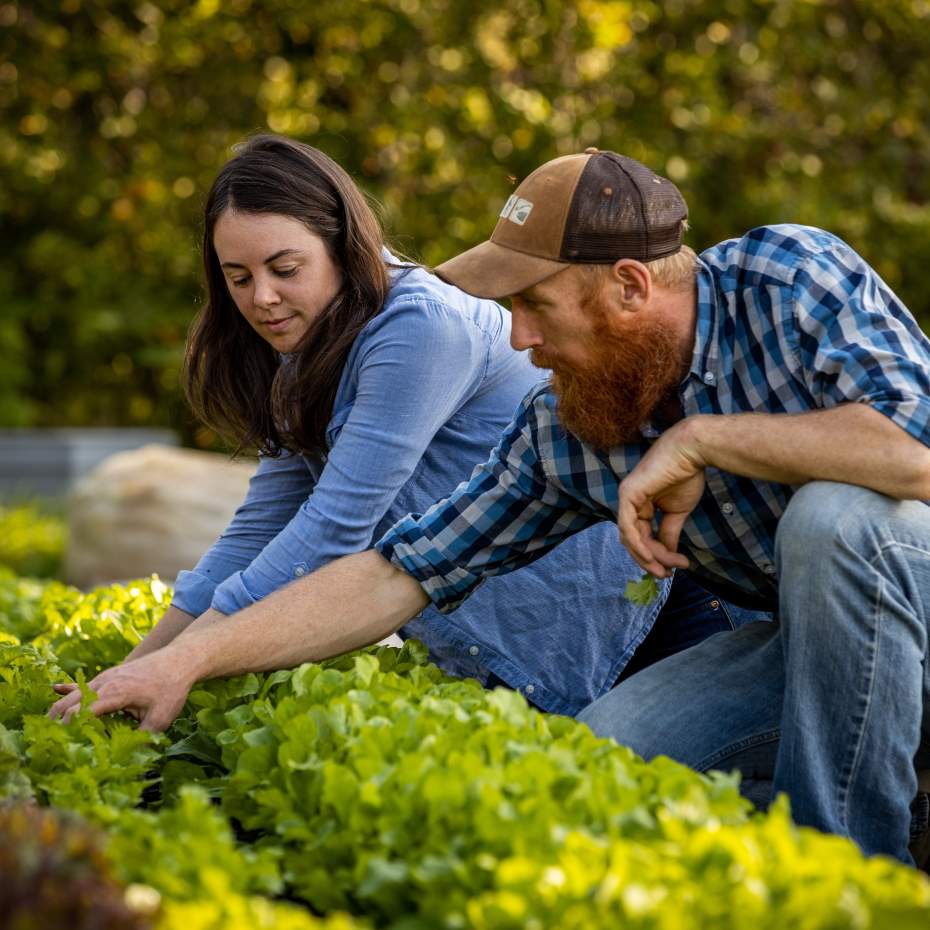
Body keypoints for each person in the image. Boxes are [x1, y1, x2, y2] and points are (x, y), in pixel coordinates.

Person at [50, 148, 930, 865]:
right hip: (811, 643)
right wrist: (187, 662)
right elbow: (399, 570)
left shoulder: (788, 278)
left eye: (534, 304)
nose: (517, 339)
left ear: (628, 286)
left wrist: (707, 439)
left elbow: (916, 457)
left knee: (839, 518)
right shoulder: (570, 424)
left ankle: (855, 877)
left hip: (912, 599)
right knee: (599, 757)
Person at [51, 134, 754, 720]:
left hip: (652, 613)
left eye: (284, 267)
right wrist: (128, 673)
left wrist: (182, 663)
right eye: (237, 277)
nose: (261, 297)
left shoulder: (419, 326)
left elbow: (334, 528)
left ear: (343, 246)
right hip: (508, 620)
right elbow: (260, 528)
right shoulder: (300, 350)